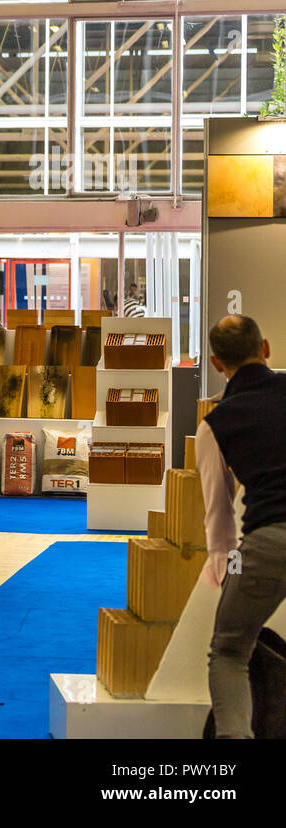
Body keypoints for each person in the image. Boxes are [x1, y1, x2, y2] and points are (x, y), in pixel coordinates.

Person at [198, 314, 286, 738]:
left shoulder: (214, 423)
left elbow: (220, 520)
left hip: (267, 542)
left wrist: (225, 570)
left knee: (230, 651)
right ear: (265, 347)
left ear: (217, 364)